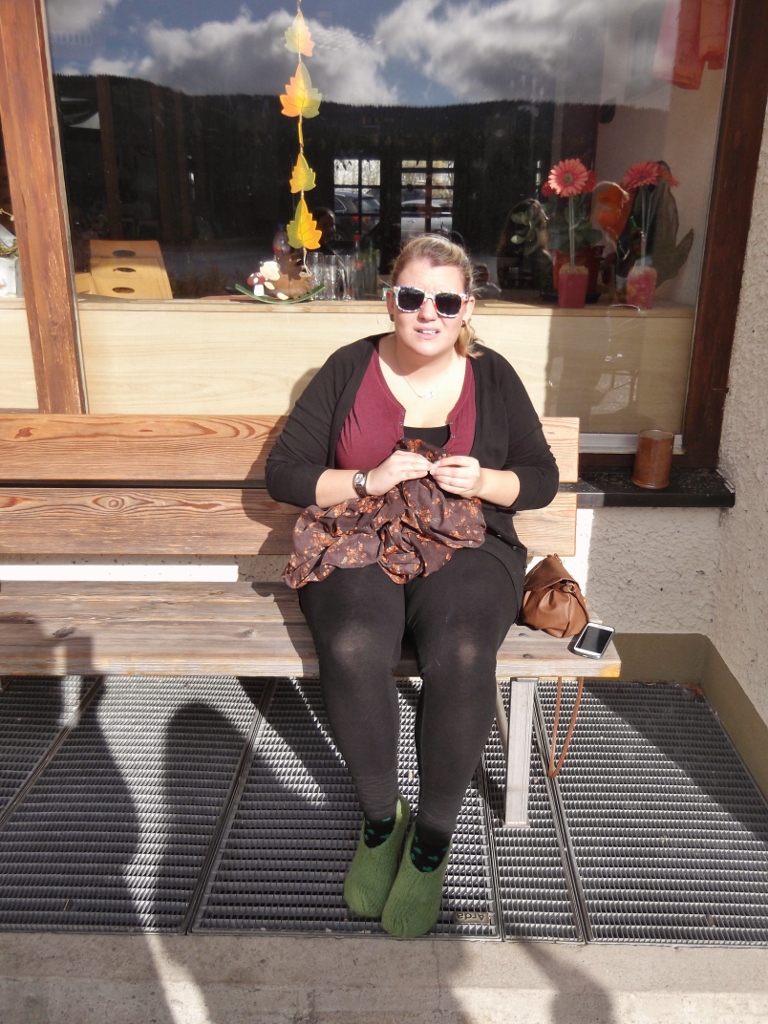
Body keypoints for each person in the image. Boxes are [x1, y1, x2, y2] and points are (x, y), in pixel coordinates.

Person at [266, 234, 558, 938]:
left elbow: (541, 477)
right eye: (413, 296)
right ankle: (380, 821)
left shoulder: (493, 377)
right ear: (390, 301)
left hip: (469, 541)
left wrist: (485, 480)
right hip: (358, 535)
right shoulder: (349, 366)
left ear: (467, 309)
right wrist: (366, 478)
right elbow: (286, 472)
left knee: (461, 650)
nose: (429, 313)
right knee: (353, 642)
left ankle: (430, 841)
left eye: (447, 301)